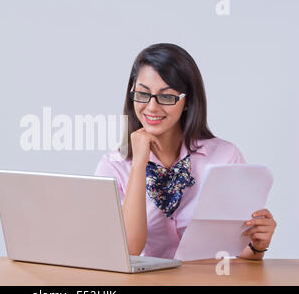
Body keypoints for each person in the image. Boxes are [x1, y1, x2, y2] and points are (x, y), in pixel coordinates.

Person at [94, 43, 276, 260]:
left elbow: (239, 251)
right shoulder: (113, 165)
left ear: (187, 100)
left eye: (167, 97)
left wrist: (257, 245)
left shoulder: (225, 157)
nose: (151, 107)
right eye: (143, 94)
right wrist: (138, 162)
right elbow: (130, 248)